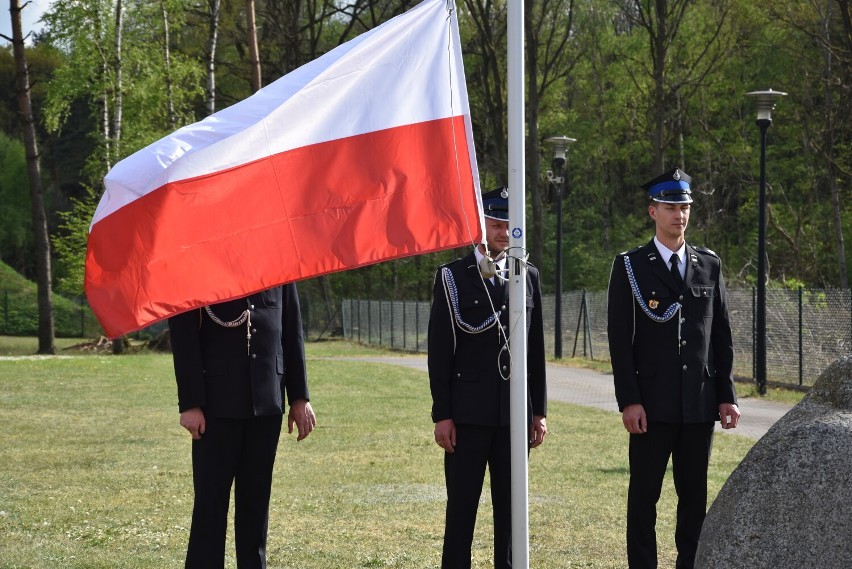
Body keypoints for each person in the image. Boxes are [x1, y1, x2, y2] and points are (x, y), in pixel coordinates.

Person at [606, 168, 741, 569]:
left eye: (684, 207)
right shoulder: (631, 266)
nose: (678, 215)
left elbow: (721, 337)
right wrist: (630, 401)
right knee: (644, 498)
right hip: (651, 406)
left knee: (694, 497)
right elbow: (620, 343)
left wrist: (726, 397)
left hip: (697, 407)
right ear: (653, 211)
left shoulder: (709, 265)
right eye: (670, 207)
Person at [427, 186, 548, 569]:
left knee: (512, 515)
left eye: (511, 222)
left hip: (513, 417)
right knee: (461, 510)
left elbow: (536, 351)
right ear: (481, 224)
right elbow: (440, 353)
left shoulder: (527, 276)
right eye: (496, 220)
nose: (503, 229)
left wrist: (538, 411)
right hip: (467, 415)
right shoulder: (453, 277)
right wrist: (442, 414)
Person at [168, 284, 316, 569]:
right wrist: (190, 403)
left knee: (256, 504)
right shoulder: (199, 264)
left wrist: (299, 397)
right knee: (210, 506)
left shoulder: (279, 262)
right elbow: (183, 333)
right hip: (215, 406)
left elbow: (291, 328)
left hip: (266, 402)